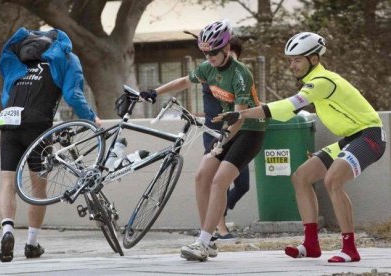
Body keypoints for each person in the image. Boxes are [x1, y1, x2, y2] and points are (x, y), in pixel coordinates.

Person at [213, 32, 386, 263]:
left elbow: (287, 106)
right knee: (301, 177)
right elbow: (285, 111)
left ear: (314, 59)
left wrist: (242, 113)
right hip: (350, 138)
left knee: (333, 180)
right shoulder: (312, 84)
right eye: (290, 60)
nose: (291, 65)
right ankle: (311, 244)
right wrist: (247, 109)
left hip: (370, 136)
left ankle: (349, 249)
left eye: (297, 60)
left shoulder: (322, 82)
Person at [140, 19, 267, 261]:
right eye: (205, 52)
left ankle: (204, 242)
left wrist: (220, 143)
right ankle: (206, 241)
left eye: (214, 53)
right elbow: (183, 82)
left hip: (249, 130)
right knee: (201, 177)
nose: (209, 57)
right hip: (228, 129)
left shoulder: (241, 74)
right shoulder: (207, 69)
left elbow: (239, 117)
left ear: (227, 48)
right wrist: (156, 92)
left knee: (220, 181)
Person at [0, 27, 101, 262]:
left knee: (7, 182)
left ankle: (7, 230)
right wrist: (91, 118)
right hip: (39, 125)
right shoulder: (66, 58)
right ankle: (32, 243)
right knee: (38, 187)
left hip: (9, 119)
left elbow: (5, 96)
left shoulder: (18, 56)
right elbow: (73, 96)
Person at [201, 37, 249, 241]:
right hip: (215, 134)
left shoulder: (239, 76)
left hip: (237, 133)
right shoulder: (210, 76)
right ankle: (220, 229)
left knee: (242, 184)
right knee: (218, 182)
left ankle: (217, 211)